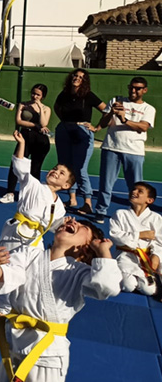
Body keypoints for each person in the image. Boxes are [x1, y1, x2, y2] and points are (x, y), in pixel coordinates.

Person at [0, 217, 121, 382]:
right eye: (72, 222)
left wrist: (103, 252)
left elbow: (107, 287)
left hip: (48, 355)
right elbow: (6, 277)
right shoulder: (30, 253)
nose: (74, 222)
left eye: (83, 226)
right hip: (14, 345)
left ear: (86, 248)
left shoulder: (80, 272)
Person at [95, 76, 155, 223]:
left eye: (138, 88)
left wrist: (124, 119)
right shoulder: (117, 100)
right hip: (111, 147)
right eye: (131, 87)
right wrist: (111, 113)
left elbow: (143, 127)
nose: (133, 90)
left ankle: (136, 213)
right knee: (105, 183)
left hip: (134, 151)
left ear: (144, 90)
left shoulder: (148, 108)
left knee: (136, 186)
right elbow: (103, 123)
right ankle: (101, 211)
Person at [53, 69, 106, 214]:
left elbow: (106, 110)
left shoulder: (88, 95)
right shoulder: (64, 94)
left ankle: (87, 202)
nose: (77, 78)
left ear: (84, 81)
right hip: (64, 131)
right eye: (75, 76)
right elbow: (56, 107)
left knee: (80, 168)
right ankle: (72, 199)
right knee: (65, 166)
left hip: (82, 132)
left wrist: (97, 127)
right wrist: (65, 122)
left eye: (81, 77)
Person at [0, 84, 51, 204]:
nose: (35, 96)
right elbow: (19, 121)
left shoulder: (46, 109)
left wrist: (39, 107)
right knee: (15, 164)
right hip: (24, 138)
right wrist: (35, 125)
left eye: (38, 94)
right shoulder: (23, 105)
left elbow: (44, 123)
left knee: (35, 169)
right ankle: (10, 193)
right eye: (33, 93)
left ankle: (32, 195)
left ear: (43, 96)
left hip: (40, 141)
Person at [109, 181, 162, 296]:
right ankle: (128, 278)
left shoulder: (156, 218)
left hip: (146, 258)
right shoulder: (120, 214)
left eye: (140, 191)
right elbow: (115, 235)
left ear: (149, 200)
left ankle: (141, 280)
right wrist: (140, 235)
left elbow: (159, 241)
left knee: (149, 290)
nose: (134, 192)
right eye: (133, 189)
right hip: (125, 256)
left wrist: (156, 255)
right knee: (127, 285)